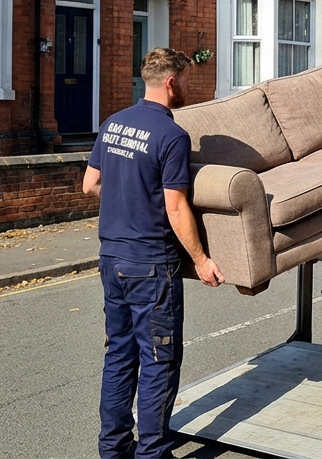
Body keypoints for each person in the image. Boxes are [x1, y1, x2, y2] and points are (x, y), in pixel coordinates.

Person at [82, 48, 224, 459]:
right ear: (171, 83)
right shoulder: (172, 135)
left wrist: (129, 194)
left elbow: (89, 185)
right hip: (150, 264)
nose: (189, 90)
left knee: (120, 356)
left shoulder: (112, 124)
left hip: (111, 260)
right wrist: (201, 259)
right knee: (159, 360)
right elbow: (176, 206)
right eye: (187, 82)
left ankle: (113, 450)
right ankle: (153, 453)